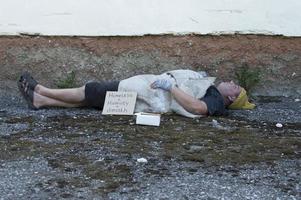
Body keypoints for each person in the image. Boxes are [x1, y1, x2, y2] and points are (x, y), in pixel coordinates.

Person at [17, 70, 255, 116]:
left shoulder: (215, 100)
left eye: (236, 86)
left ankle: (42, 90)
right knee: (94, 101)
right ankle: (41, 101)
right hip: (147, 94)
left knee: (91, 91)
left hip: (147, 93)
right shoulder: (211, 90)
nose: (232, 81)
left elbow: (197, 108)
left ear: (232, 98)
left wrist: (170, 86)